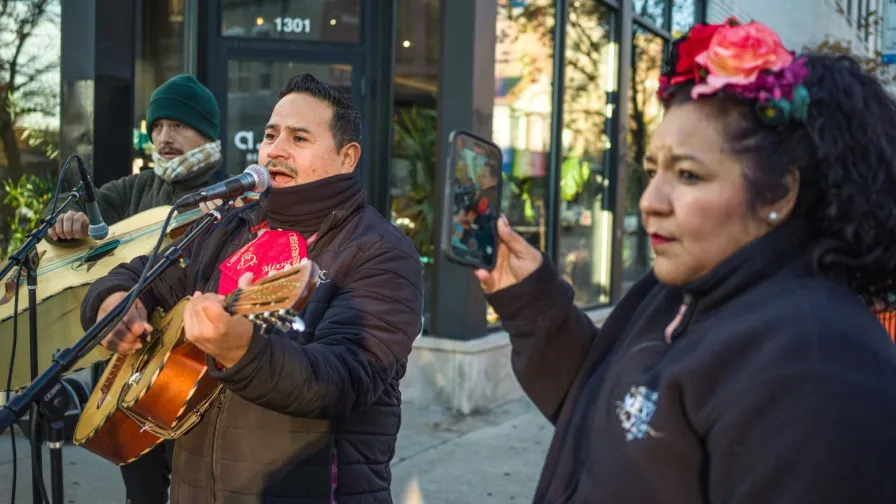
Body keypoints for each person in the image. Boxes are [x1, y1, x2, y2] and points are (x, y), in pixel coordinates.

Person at [474, 18, 896, 503]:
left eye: (689, 175)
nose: (650, 200)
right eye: (652, 170)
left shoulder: (819, 368)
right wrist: (531, 301)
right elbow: (616, 418)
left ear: (780, 190)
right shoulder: (679, 289)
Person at [79, 73, 424, 503]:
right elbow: (138, 275)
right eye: (270, 135)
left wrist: (241, 349)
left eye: (299, 138)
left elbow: (344, 378)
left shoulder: (380, 252)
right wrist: (115, 303)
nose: (275, 150)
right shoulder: (230, 226)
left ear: (347, 157)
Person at [46, 74, 230, 243]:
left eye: (178, 125)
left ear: (207, 134)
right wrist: (66, 219)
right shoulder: (137, 187)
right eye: (157, 126)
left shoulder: (231, 192)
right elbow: (71, 202)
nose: (164, 137)